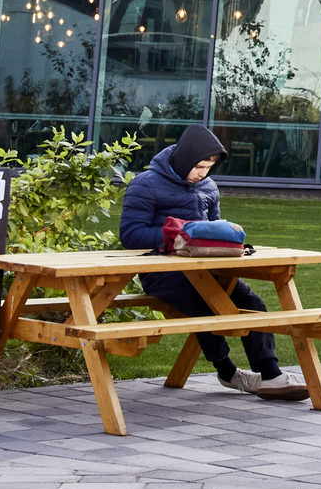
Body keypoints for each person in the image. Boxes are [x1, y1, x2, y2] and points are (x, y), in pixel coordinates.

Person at [117, 124, 307, 401]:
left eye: (208, 167)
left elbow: (213, 227)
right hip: (161, 272)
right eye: (198, 167)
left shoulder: (208, 186)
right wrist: (178, 234)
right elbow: (131, 235)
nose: (202, 173)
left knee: (253, 304)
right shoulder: (145, 184)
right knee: (207, 306)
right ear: (184, 159)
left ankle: (270, 375)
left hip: (206, 268)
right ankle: (227, 372)